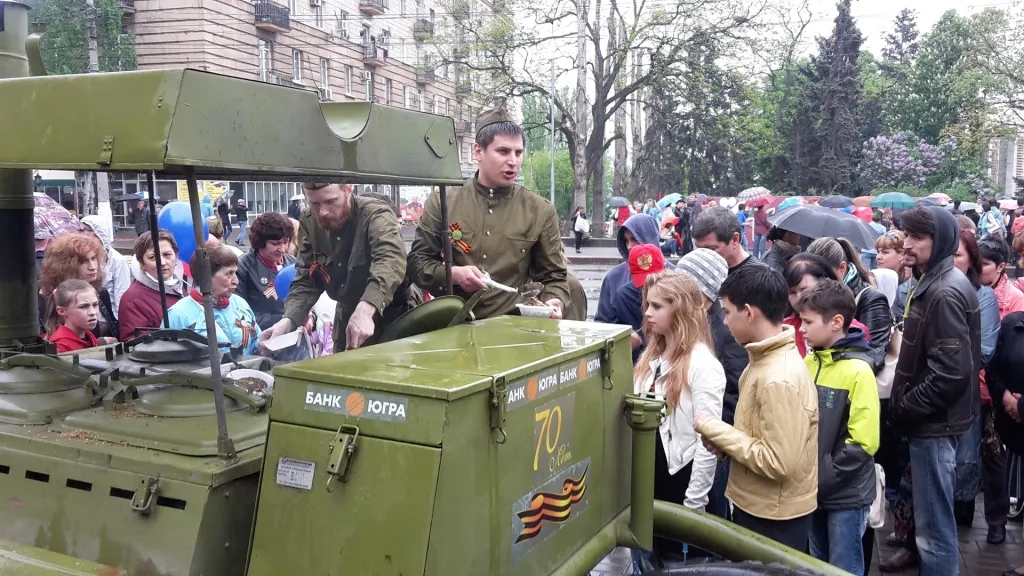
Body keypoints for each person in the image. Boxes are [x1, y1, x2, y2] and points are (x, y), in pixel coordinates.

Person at [694, 264, 818, 551]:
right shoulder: (764, 360)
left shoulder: (778, 377)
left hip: (773, 517)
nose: (725, 322)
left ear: (749, 313)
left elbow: (778, 462)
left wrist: (717, 430)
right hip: (763, 506)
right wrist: (725, 447)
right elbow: (758, 435)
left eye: (727, 312)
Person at [886, 205, 980, 576]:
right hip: (933, 423)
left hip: (934, 426)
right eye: (906, 234)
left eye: (917, 237)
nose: (907, 244)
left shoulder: (944, 291)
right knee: (932, 526)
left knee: (934, 532)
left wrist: (905, 407)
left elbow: (951, 373)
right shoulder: (933, 281)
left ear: (938, 241)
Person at [408, 107, 569, 320]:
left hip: (513, 325)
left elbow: (554, 276)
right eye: (503, 151)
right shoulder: (444, 202)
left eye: (518, 152)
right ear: (478, 152)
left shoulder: (540, 210)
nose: (513, 161)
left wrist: (554, 300)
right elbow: (417, 264)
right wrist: (454, 274)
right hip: (455, 323)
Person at [631, 271, 726, 569]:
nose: (648, 312)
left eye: (657, 306)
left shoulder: (703, 364)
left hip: (680, 484)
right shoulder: (651, 356)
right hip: (647, 484)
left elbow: (707, 442)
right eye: (648, 304)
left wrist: (693, 506)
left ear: (681, 309)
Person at [261, 182, 417, 352]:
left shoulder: (376, 215)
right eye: (314, 204)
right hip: (347, 316)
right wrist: (288, 320)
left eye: (331, 201)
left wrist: (366, 308)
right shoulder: (310, 221)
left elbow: (389, 261)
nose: (322, 212)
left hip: (395, 315)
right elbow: (307, 277)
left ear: (348, 190)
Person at [794, 280, 879, 575]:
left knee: (844, 565)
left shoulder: (858, 371)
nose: (801, 329)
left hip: (845, 493)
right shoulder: (809, 361)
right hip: (813, 489)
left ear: (836, 322)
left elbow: (864, 441)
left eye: (808, 322)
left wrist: (825, 475)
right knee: (817, 562)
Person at [675, 247, 747, 520]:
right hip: (683, 445)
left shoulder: (725, 329)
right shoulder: (684, 321)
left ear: (702, 292)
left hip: (711, 446)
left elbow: (735, 391)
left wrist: (716, 439)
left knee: (710, 514)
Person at [806, 237, 891, 375]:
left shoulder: (871, 299)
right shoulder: (811, 297)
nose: (816, 283)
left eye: (823, 276)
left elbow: (875, 355)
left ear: (842, 268)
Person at [166, 246, 262, 355]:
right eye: (229, 274)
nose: (236, 281)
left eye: (235, 273)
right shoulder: (177, 314)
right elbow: (166, 357)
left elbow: (255, 342)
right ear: (207, 276)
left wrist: (263, 345)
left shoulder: (240, 304)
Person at [783, 254, 870, 358]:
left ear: (825, 284)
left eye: (805, 290)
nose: (798, 298)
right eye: (792, 292)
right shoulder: (784, 329)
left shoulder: (856, 331)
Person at [38, 233, 119, 340]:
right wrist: (99, 343)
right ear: (64, 266)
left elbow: (114, 330)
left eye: (93, 258)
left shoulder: (101, 292)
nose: (92, 267)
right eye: (84, 261)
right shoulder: (45, 299)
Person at [595, 213, 661, 335]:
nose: (629, 246)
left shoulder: (674, 275)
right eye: (626, 241)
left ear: (650, 237)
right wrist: (621, 337)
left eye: (634, 239)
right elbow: (602, 325)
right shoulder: (613, 277)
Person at [118, 230, 187, 341]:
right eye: (153, 257)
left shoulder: (176, 286)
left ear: (176, 257)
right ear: (142, 264)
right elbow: (136, 344)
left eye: (167, 255)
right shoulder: (132, 300)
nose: (162, 262)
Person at [236, 212, 297, 329]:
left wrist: (311, 318)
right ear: (260, 242)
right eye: (275, 244)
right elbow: (239, 313)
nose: (282, 249)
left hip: (295, 332)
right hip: (262, 334)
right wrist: (286, 320)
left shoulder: (293, 263)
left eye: (285, 242)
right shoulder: (242, 267)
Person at [609, 244, 667, 363]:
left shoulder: (675, 294)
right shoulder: (623, 296)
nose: (648, 286)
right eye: (643, 283)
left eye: (654, 280)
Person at [81, 215, 131, 317]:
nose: (85, 233)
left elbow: (122, 298)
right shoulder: (79, 258)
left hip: (108, 319)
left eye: (89, 230)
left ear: (100, 233)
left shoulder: (118, 261)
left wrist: (119, 322)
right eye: (82, 229)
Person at [46, 279, 112, 353]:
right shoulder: (60, 346)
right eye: (83, 306)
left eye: (95, 305)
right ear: (62, 311)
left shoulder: (88, 336)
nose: (92, 312)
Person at [691, 207, 756, 274]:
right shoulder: (701, 271)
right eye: (699, 249)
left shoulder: (758, 277)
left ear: (735, 240)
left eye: (710, 250)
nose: (703, 257)